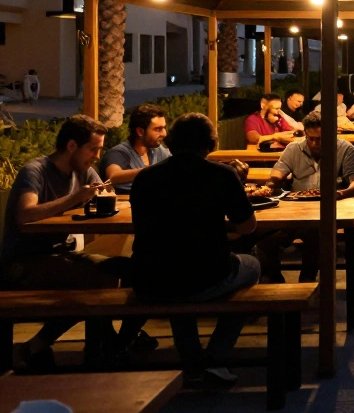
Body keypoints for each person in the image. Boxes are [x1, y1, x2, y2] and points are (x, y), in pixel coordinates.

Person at [130, 113, 259, 387]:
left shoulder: (146, 178)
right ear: (209, 143)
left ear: (172, 142)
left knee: (175, 269)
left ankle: (191, 361)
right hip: (205, 275)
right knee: (252, 265)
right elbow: (247, 226)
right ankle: (216, 357)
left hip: (148, 277)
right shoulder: (222, 175)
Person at [0, 115, 126, 369]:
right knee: (95, 282)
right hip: (22, 261)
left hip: (62, 256)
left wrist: (104, 197)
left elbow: (97, 194)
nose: (97, 156)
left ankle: (100, 348)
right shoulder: (35, 170)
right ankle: (90, 353)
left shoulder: (84, 171)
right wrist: (76, 198)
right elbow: (25, 215)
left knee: (120, 269)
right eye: (93, 149)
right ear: (71, 146)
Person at [257, 112, 354, 282]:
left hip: (327, 212)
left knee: (315, 237)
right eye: (311, 138)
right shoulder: (294, 149)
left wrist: (339, 194)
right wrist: (272, 184)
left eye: (321, 138)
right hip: (295, 211)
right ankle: (275, 283)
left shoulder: (345, 149)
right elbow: (276, 175)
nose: (315, 143)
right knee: (266, 241)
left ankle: (307, 282)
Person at [102, 104, 170, 195]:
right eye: (158, 129)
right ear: (140, 132)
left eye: (164, 128)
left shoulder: (158, 151)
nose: (164, 134)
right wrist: (151, 171)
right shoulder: (118, 153)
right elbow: (113, 177)